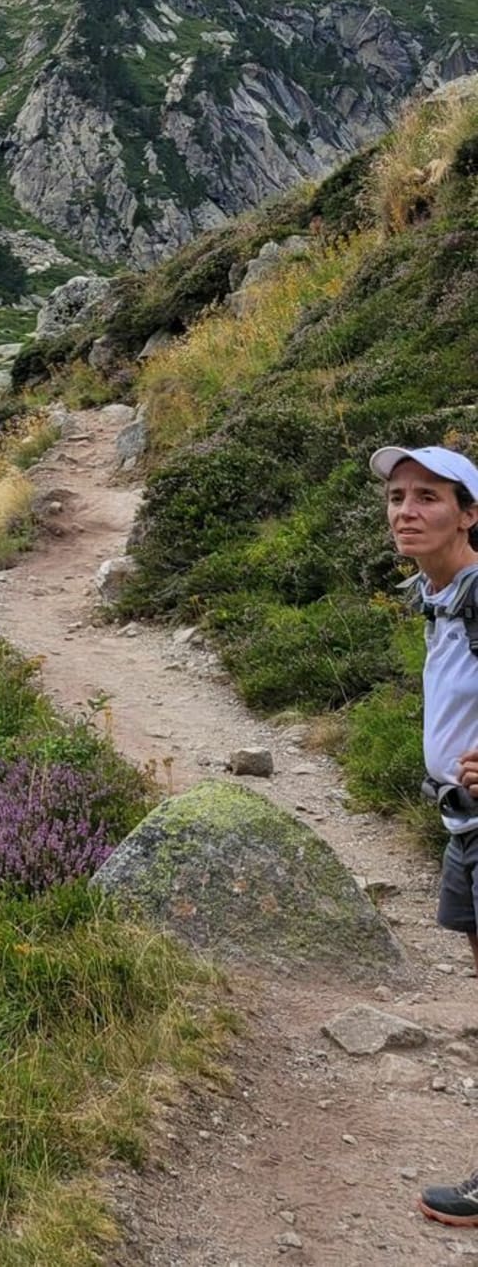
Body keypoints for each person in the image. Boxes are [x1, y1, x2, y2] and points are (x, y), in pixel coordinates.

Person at [371, 444, 478, 1229]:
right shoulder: (437, 594)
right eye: (398, 496)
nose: (407, 510)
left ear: (469, 514)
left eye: (430, 497)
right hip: (462, 823)